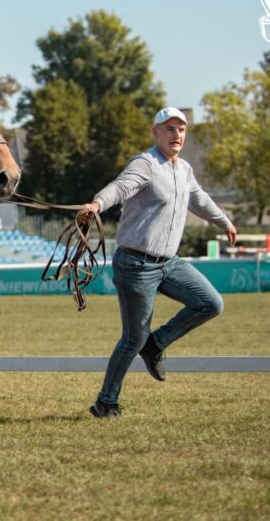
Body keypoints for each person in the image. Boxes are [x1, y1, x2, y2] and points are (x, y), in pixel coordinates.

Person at [81, 106, 237, 418]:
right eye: (169, 128)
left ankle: (156, 344)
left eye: (180, 129)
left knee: (210, 303)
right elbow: (121, 187)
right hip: (135, 265)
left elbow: (200, 200)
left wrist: (225, 223)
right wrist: (98, 203)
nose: (176, 134)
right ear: (156, 133)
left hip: (169, 263)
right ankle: (105, 403)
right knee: (133, 338)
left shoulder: (185, 170)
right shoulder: (146, 163)